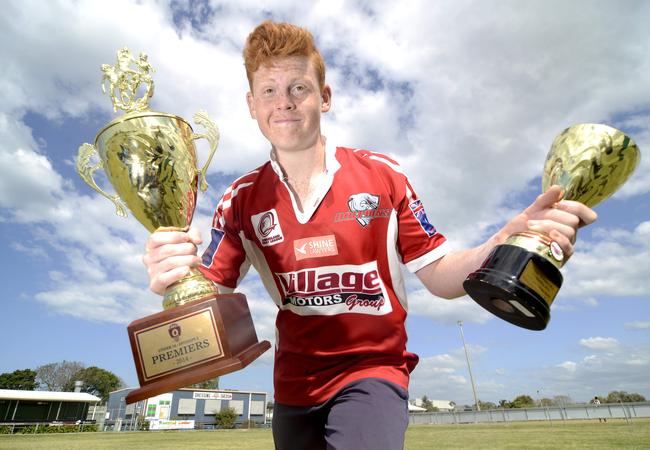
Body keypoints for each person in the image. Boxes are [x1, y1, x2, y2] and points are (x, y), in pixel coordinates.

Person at [142, 20, 597, 450]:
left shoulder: (383, 174)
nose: (284, 102)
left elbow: (438, 273)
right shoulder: (240, 198)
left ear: (324, 96)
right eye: (269, 90)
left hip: (373, 371)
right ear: (252, 105)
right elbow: (212, 294)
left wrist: (503, 240)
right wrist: (174, 272)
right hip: (293, 384)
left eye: (298, 88)